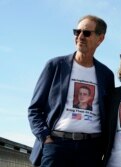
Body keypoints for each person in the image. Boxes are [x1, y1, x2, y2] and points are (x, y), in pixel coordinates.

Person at [28, 15, 115, 167]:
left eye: (86, 33)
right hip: (56, 145)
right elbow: (34, 109)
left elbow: (108, 115)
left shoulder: (106, 75)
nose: (80, 36)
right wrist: (45, 137)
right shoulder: (55, 66)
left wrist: (102, 148)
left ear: (100, 39)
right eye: (77, 32)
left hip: (90, 150)